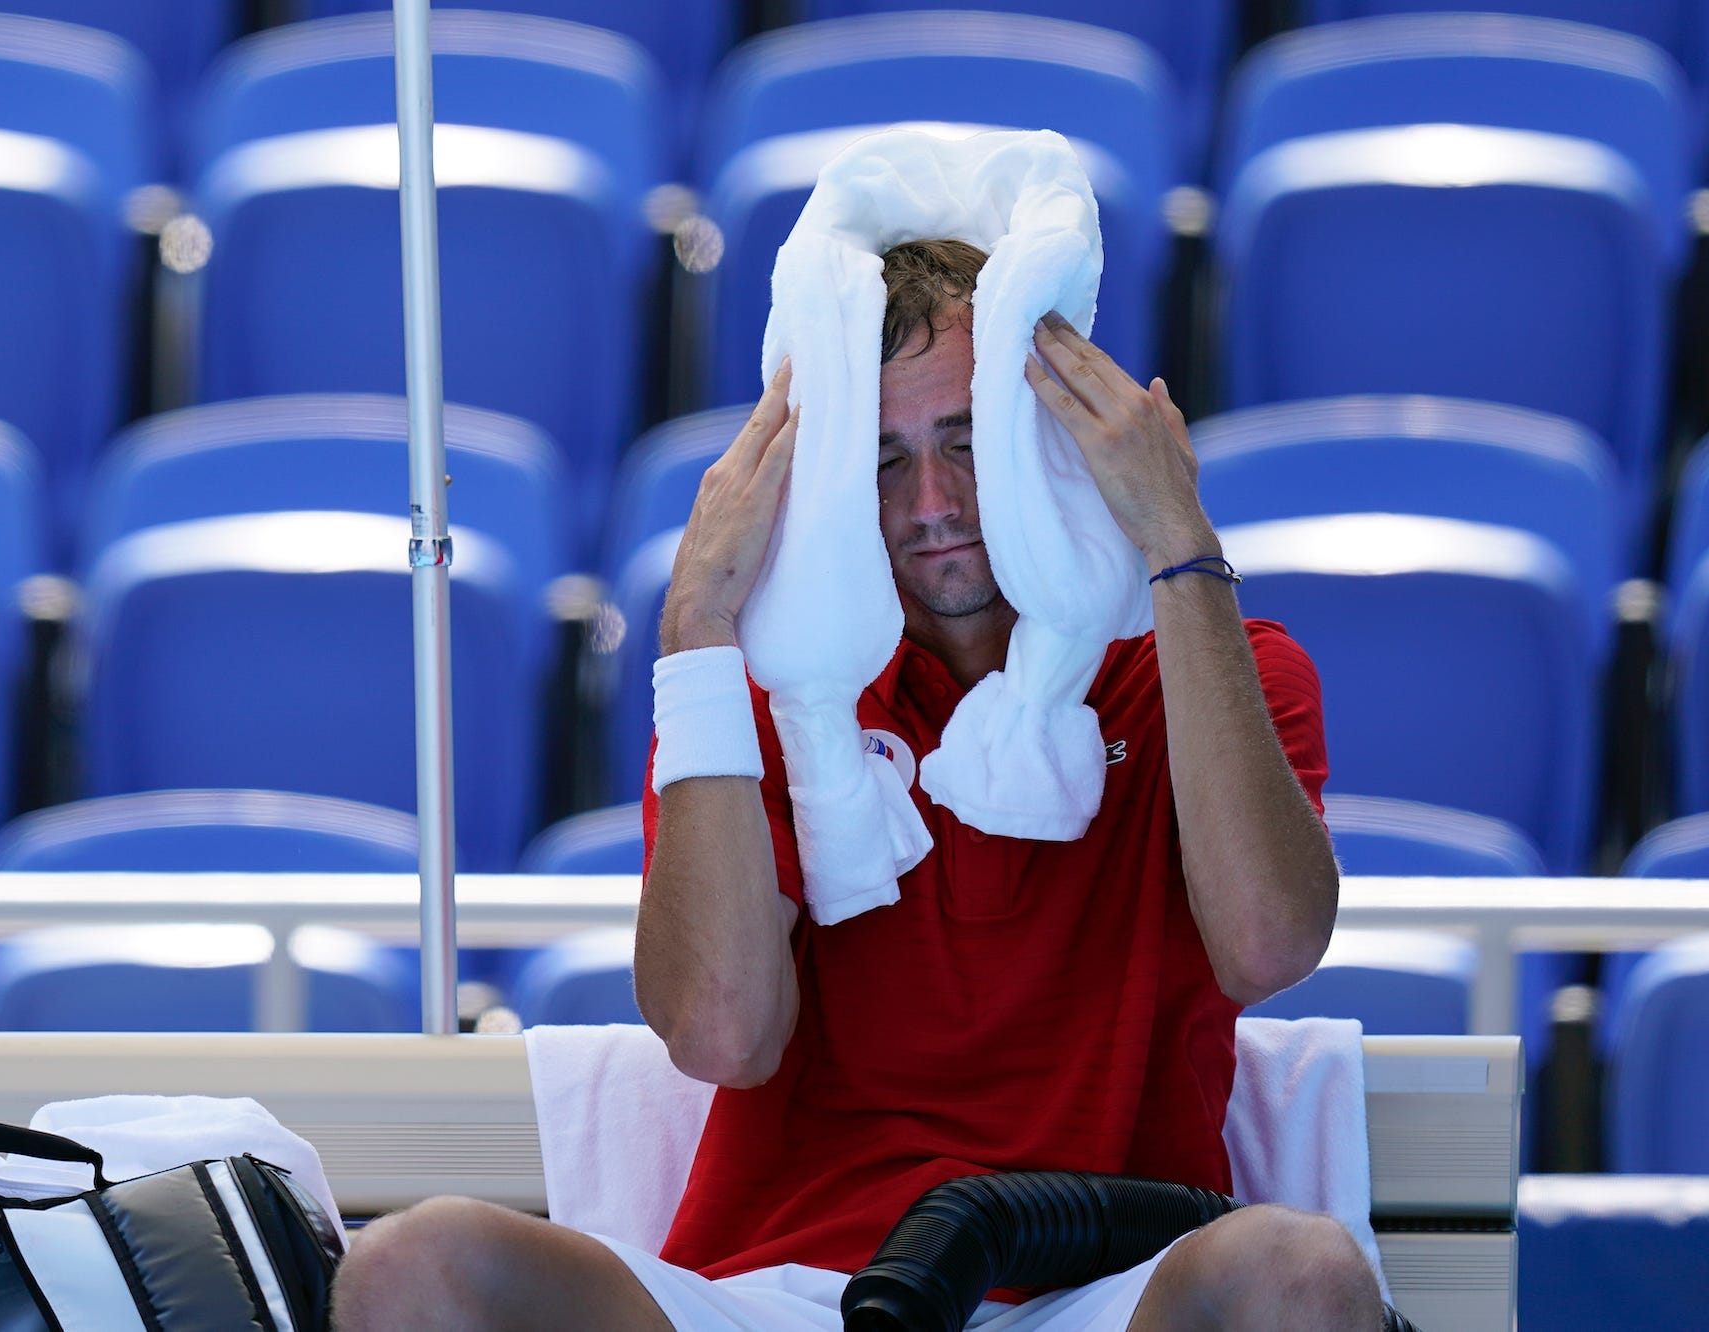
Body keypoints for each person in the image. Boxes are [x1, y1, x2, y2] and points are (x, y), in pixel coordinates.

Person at [331, 240, 1384, 1330]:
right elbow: (722, 1034)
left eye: (967, 441)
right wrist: (697, 626)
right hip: (775, 1293)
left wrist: (1176, 539)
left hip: (1093, 1285)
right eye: (882, 460)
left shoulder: (1219, 664)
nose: (931, 503)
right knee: (414, 1265)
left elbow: (1269, 945)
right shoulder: (763, 688)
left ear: (1054, 439)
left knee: (1297, 1272)